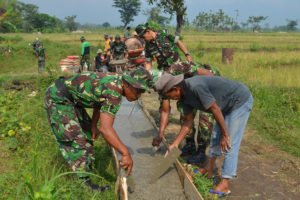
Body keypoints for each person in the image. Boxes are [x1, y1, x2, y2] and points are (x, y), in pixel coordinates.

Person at [44, 67, 153, 191]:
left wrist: (93, 125)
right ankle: (83, 185)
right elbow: (106, 129)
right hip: (58, 98)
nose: (138, 96)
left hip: (70, 99)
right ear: (127, 84)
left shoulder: (117, 82)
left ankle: (86, 168)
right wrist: (125, 152)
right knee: (77, 140)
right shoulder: (114, 92)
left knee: (87, 134)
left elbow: (100, 101)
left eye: (142, 92)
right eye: (138, 91)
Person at [154, 73, 253, 198]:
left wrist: (225, 134)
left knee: (229, 142)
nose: (171, 99)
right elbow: (188, 122)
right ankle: (209, 169)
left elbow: (214, 109)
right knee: (215, 136)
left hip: (239, 100)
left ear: (176, 89)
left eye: (170, 96)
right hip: (223, 106)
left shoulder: (195, 87)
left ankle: (224, 183)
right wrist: (175, 144)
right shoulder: (183, 98)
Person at [136, 23, 219, 163]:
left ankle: (201, 151)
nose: (143, 38)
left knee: (205, 119)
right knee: (185, 114)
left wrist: (188, 55)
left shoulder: (181, 67)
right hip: (182, 82)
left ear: (148, 31)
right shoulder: (164, 82)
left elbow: (208, 75)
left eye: (143, 35)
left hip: (206, 82)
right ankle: (190, 145)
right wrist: (160, 134)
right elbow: (164, 110)